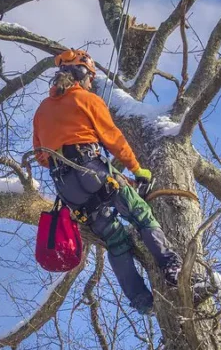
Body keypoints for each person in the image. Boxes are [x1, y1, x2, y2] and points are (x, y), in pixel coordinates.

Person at [32, 48, 183, 315]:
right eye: (90, 76)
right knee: (139, 212)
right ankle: (171, 264)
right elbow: (113, 138)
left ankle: (141, 301)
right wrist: (138, 170)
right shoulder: (87, 99)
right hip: (92, 170)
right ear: (80, 75)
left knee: (116, 239)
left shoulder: (41, 111)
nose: (92, 82)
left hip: (67, 189)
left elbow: (41, 156)